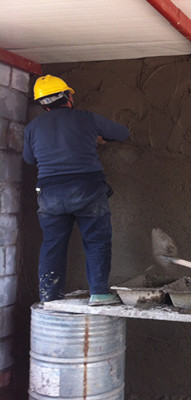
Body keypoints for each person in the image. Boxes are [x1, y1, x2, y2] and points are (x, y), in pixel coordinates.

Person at [23, 75, 130, 306]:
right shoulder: (86, 118)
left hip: (50, 194)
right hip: (87, 190)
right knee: (97, 241)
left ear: (44, 104)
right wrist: (96, 138)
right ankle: (99, 293)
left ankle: (50, 298)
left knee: (52, 245)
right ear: (68, 96)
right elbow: (122, 133)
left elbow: (29, 159)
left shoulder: (32, 128)